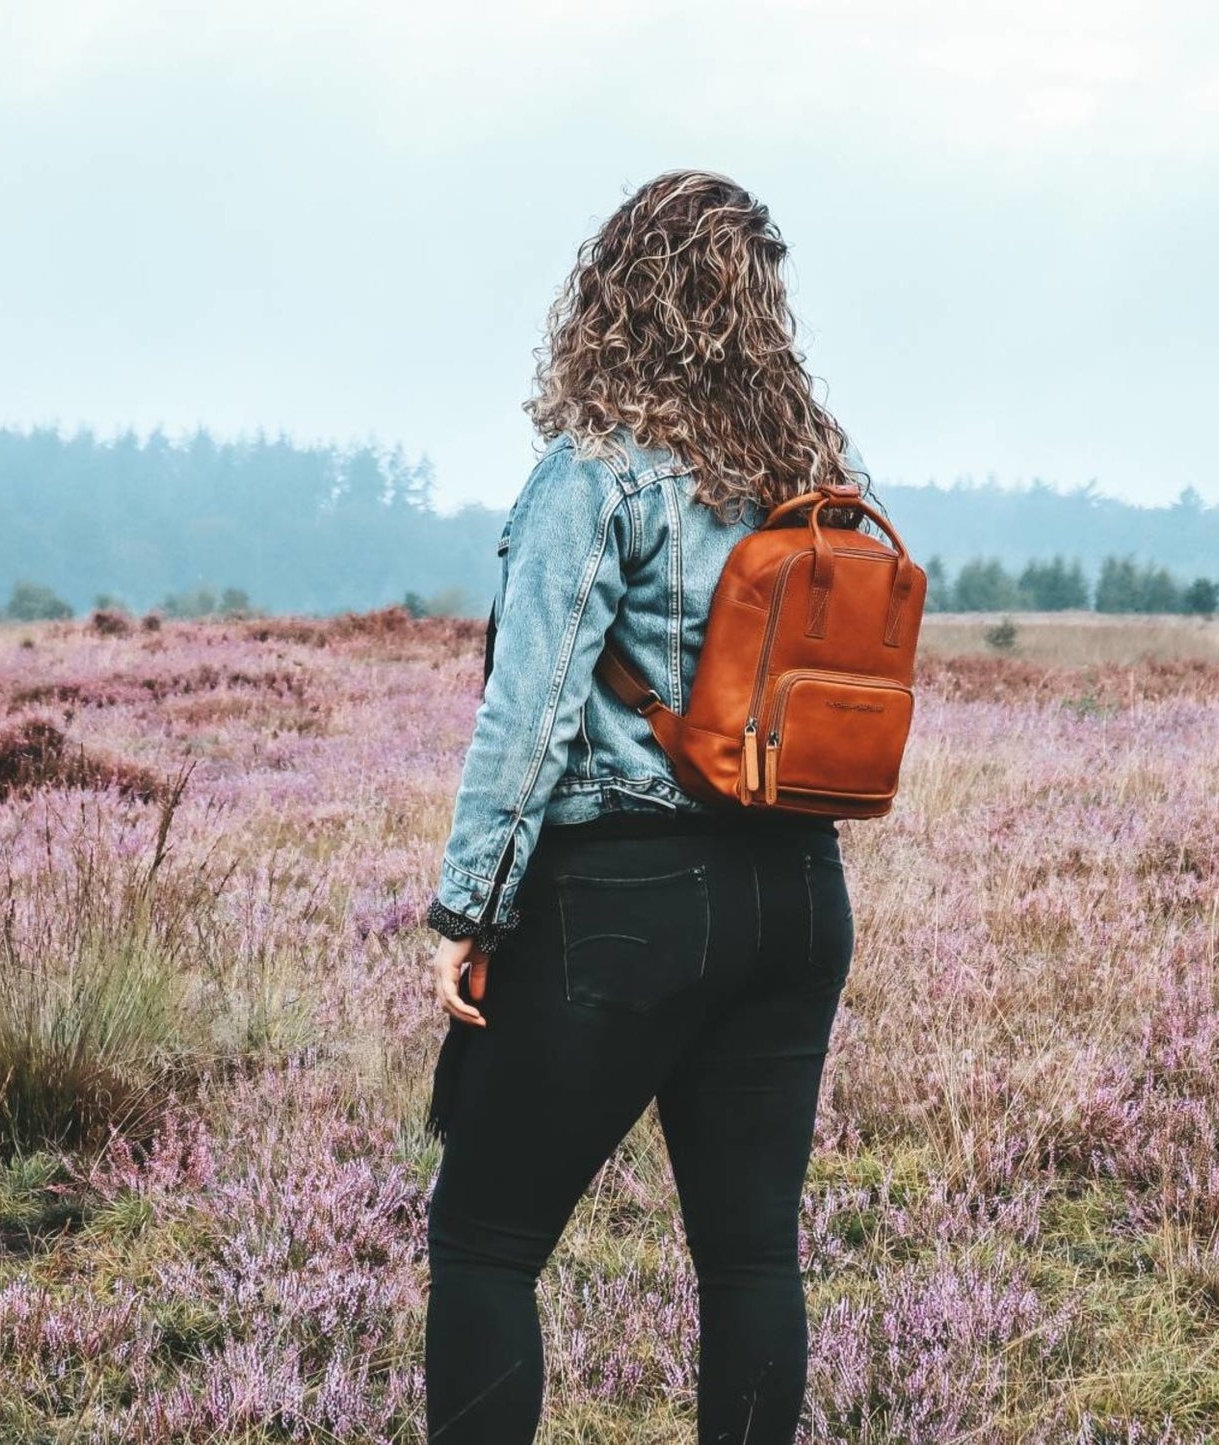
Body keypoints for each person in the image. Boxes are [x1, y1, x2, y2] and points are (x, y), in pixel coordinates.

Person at [421, 168, 880, 1444]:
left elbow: (531, 712)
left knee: (485, 1241)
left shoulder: (595, 474)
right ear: (759, 313)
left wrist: (468, 905)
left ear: (612, 294)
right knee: (748, 1259)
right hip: (797, 893)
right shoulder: (823, 479)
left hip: (624, 899)